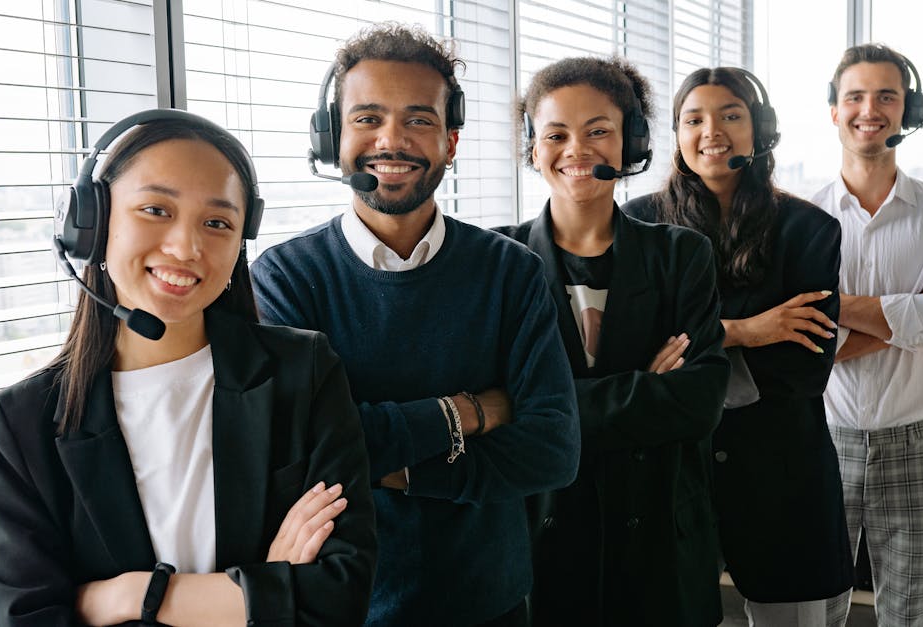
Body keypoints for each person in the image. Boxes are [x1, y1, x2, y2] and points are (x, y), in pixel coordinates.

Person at [0, 110, 377, 626]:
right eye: (155, 209)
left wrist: (129, 596)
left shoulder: (303, 372)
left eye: (217, 223)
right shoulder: (25, 423)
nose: (186, 247)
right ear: (92, 224)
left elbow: (339, 597)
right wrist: (264, 586)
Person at [249, 23, 580, 627]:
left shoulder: (512, 272)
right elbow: (301, 458)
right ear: (333, 139)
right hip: (346, 606)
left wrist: (381, 463)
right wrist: (468, 414)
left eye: (419, 120)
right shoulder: (285, 278)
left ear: (451, 141)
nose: (391, 140)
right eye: (368, 118)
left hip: (491, 601)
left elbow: (552, 451)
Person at [494, 56, 728, 627]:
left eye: (598, 130)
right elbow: (487, 409)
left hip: (659, 547)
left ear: (633, 141)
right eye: (556, 134)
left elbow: (698, 403)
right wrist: (644, 390)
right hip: (542, 541)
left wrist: (540, 405)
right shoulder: (496, 262)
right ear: (532, 147)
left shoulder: (682, 256)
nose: (577, 149)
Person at [622, 67, 853, 626]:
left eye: (731, 115)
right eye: (693, 119)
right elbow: (630, 350)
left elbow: (802, 369)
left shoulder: (809, 229)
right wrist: (745, 332)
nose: (712, 131)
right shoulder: (635, 224)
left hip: (781, 470)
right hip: (670, 469)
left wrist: (687, 350)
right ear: (674, 134)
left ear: (760, 130)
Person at [812, 44, 923, 627]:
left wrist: (837, 311)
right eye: (855, 96)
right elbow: (800, 339)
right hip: (821, 444)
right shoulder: (800, 218)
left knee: (911, 615)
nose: (870, 108)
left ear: (908, 109)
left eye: (887, 95)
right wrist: (910, 320)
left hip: (921, 447)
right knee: (814, 610)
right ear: (834, 110)